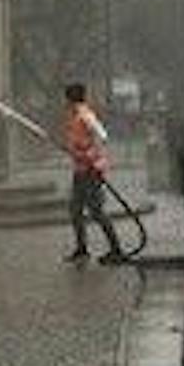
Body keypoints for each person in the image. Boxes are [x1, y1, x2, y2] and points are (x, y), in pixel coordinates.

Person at [61, 81, 126, 264]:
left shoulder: (84, 115)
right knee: (75, 210)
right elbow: (78, 142)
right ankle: (82, 249)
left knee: (97, 211)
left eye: (66, 99)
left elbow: (102, 135)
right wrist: (74, 151)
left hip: (91, 171)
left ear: (70, 99)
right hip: (81, 171)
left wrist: (90, 156)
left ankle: (116, 250)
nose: (64, 103)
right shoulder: (75, 116)